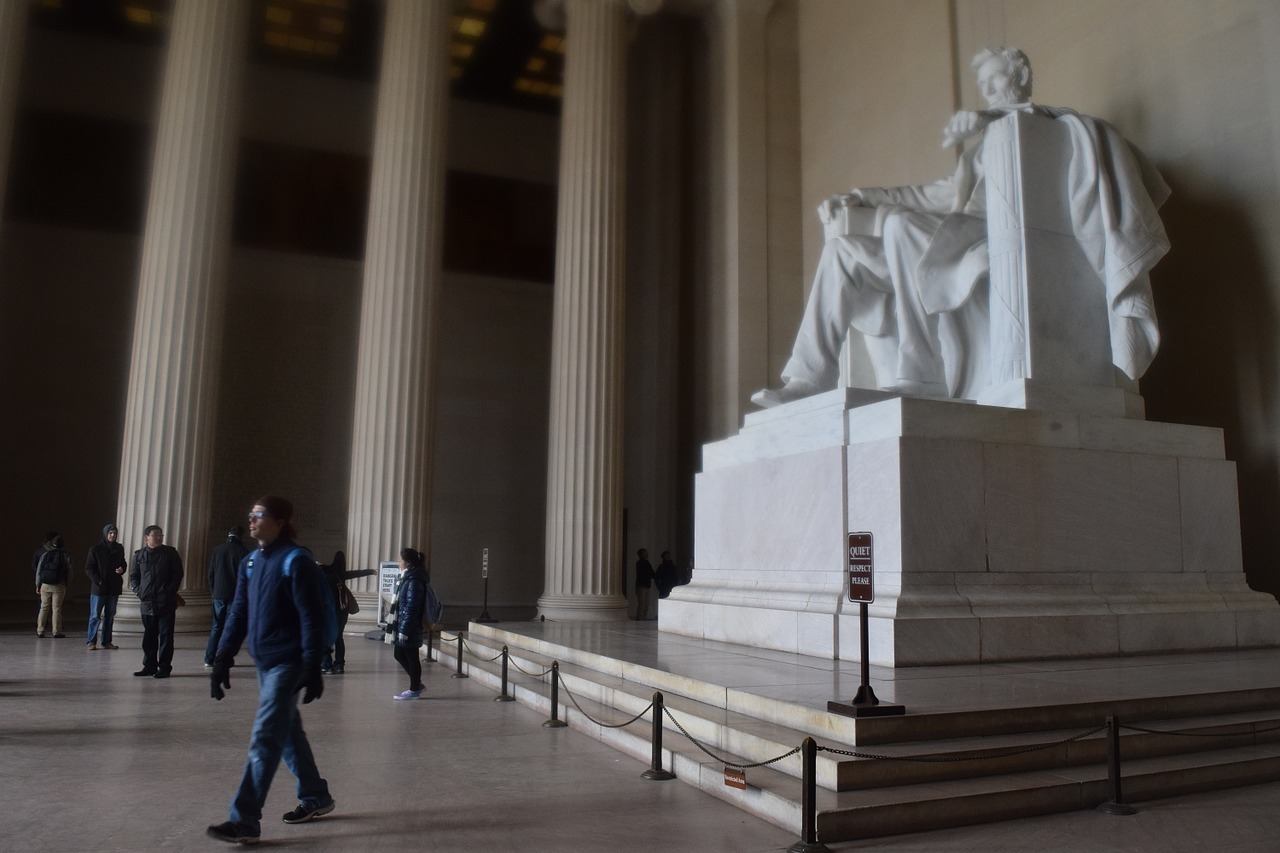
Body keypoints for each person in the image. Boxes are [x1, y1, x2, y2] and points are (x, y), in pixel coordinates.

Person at [752, 47, 1169, 407]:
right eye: (983, 84)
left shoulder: (1049, 128)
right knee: (843, 249)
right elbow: (933, 195)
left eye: (996, 78)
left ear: (1021, 76)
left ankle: (921, 371)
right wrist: (863, 196)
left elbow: (1055, 132)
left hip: (991, 240)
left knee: (898, 227)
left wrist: (992, 117)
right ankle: (809, 377)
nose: (988, 89)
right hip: (946, 246)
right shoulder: (983, 145)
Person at [206, 496, 334, 845]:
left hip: (288, 662)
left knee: (265, 736)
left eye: (259, 515)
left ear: (280, 521)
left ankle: (244, 819)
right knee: (288, 732)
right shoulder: (250, 562)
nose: (251, 521)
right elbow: (238, 613)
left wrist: (312, 662)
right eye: (250, 515)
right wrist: (222, 658)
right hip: (265, 661)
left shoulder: (296, 561)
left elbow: (312, 616)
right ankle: (315, 795)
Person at [129, 524, 184, 678]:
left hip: (166, 602)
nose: (159, 537)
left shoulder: (170, 553)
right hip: (147, 602)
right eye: (156, 535)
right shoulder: (139, 555)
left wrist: (169, 590)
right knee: (149, 636)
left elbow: (178, 574)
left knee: (166, 636)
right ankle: (149, 666)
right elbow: (134, 577)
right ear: (147, 537)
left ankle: (165, 667)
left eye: (161, 535)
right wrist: (138, 591)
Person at [321, 550, 373, 675]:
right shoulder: (340, 575)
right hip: (342, 612)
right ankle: (339, 665)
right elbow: (354, 574)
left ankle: (326, 665)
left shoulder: (326, 572)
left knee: (326, 638)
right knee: (339, 638)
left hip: (329, 613)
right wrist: (369, 571)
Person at [386, 547, 429, 701]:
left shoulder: (414, 581)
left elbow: (411, 607)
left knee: (411, 657)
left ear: (408, 563)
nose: (399, 562)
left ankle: (414, 688)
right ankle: (417, 684)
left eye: (401, 560)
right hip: (405, 624)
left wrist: (404, 630)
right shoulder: (407, 578)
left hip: (409, 626)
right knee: (399, 654)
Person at [205, 526, 248, 669]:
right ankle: (224, 658)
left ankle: (209, 658)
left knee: (216, 626)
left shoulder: (217, 550)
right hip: (235, 595)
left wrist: (213, 591)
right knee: (230, 628)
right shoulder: (244, 552)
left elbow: (211, 573)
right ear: (241, 536)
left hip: (218, 593)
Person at [85, 523, 127, 650]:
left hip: (113, 587)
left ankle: (107, 641)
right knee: (95, 616)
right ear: (105, 534)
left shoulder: (119, 548)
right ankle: (91, 641)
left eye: (114, 533)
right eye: (110, 533)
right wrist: (98, 581)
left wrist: (122, 569)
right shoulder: (95, 549)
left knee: (110, 616)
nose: (113, 535)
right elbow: (89, 568)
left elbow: (123, 563)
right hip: (99, 588)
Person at [34, 534, 72, 638]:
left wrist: (38, 584)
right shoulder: (65, 555)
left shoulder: (45, 555)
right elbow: (69, 571)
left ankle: (40, 630)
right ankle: (56, 631)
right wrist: (66, 584)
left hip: (45, 585)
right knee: (57, 609)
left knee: (44, 607)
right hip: (59, 585)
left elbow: (39, 570)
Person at [634, 548, 655, 620]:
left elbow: (651, 573)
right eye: (644, 553)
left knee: (646, 604)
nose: (646, 554)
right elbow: (646, 573)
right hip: (641, 585)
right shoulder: (640, 563)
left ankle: (643, 617)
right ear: (641, 555)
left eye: (646, 553)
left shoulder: (647, 563)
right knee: (642, 604)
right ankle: (640, 618)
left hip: (646, 585)